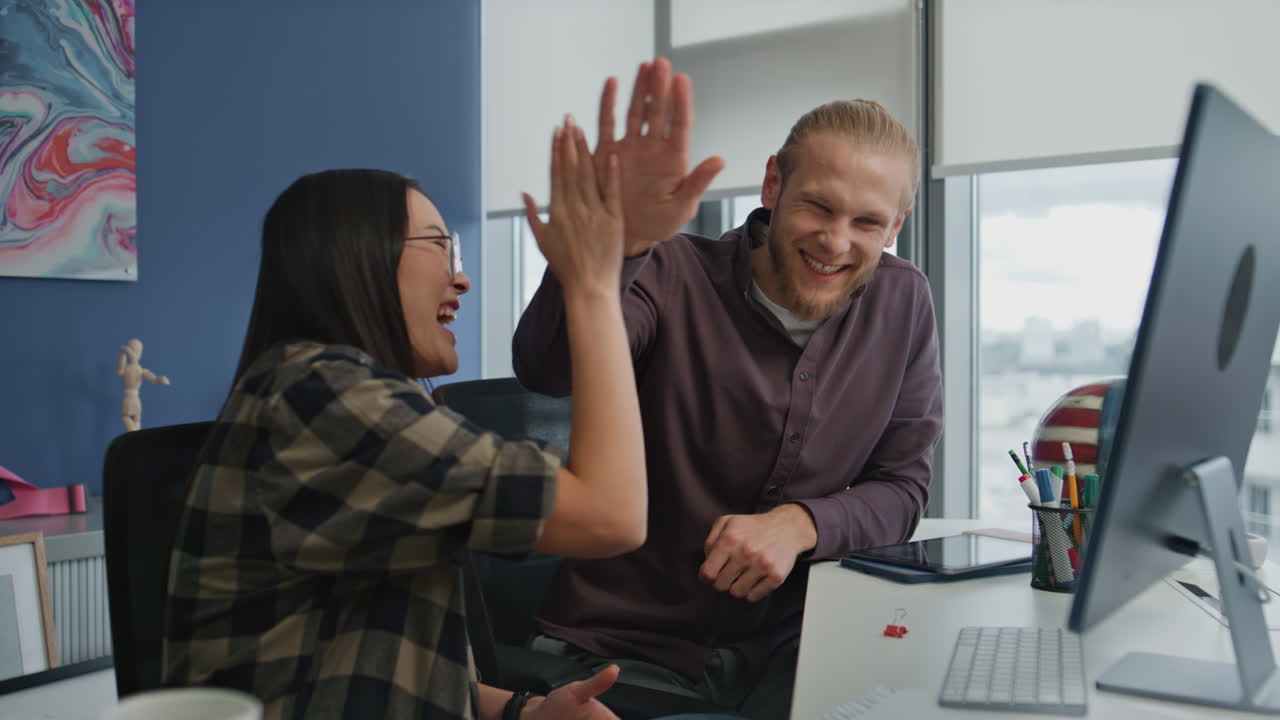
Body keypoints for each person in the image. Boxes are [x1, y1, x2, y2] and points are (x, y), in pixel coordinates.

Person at [164, 117, 648, 720]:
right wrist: (594, 287)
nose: (461, 277)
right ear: (353, 258)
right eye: (439, 246)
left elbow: (389, 664)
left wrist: (526, 712)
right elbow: (611, 515)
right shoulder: (323, 398)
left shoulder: (345, 400)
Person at [512, 58, 943, 719]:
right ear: (773, 183)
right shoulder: (667, 270)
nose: (835, 242)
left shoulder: (904, 300)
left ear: (896, 224)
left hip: (786, 654)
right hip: (618, 655)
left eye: (866, 222)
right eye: (819, 207)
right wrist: (615, 251)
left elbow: (903, 487)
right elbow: (548, 368)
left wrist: (801, 524)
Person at [117, 338, 170, 432]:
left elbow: (153, 378)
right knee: (131, 417)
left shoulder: (139, 370)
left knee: (130, 417)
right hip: (132, 397)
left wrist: (160, 379)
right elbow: (120, 370)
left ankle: (134, 435)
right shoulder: (132, 369)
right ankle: (134, 435)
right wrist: (123, 354)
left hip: (132, 397)